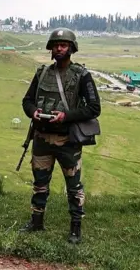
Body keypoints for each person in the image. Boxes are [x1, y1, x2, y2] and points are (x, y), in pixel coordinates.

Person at [20, 28, 101, 244]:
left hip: (68, 141)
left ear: (71, 48)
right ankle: (36, 222)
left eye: (63, 45)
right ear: (50, 48)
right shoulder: (42, 73)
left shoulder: (82, 76)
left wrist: (66, 116)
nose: (59, 48)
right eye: (56, 45)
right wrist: (33, 112)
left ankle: (75, 228)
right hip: (41, 139)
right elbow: (27, 101)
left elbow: (94, 108)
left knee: (73, 186)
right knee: (39, 184)